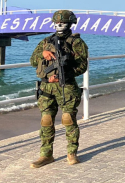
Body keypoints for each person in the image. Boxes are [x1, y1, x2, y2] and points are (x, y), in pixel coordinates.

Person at [29, 10, 89, 168]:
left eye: (62, 23)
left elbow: (82, 65)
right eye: (56, 23)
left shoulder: (76, 43)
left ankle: (71, 153)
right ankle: (46, 155)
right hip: (47, 87)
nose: (59, 25)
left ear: (70, 24)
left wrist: (66, 74)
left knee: (68, 120)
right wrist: (43, 54)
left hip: (66, 86)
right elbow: (33, 61)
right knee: (46, 121)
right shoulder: (46, 41)